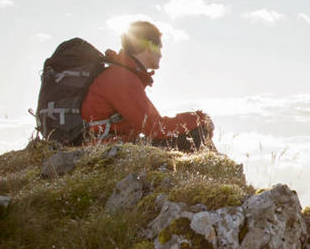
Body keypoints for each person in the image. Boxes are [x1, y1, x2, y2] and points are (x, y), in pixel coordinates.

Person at [81, 20, 215, 152]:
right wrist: (199, 118)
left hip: (113, 143)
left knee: (195, 132)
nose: (161, 54)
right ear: (150, 45)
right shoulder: (121, 78)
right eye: (159, 47)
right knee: (197, 133)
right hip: (106, 148)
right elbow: (155, 127)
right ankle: (217, 163)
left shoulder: (123, 75)